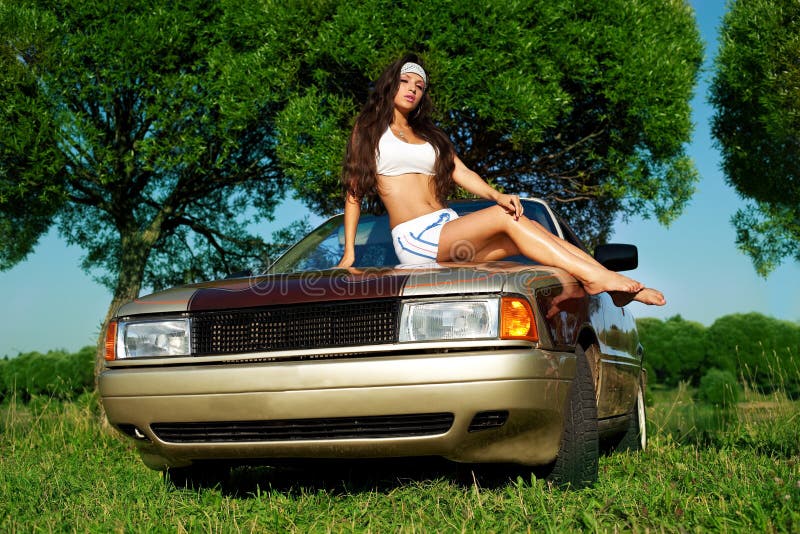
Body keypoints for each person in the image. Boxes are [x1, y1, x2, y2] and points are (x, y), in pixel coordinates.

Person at [337, 54, 665, 306]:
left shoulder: (429, 135)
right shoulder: (368, 129)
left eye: (419, 86)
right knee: (504, 218)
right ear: (390, 84)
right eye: (405, 82)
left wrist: (497, 195)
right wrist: (349, 253)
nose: (412, 90)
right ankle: (599, 279)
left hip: (447, 227)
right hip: (416, 238)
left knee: (529, 233)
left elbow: (461, 173)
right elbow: (353, 190)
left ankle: (607, 284)